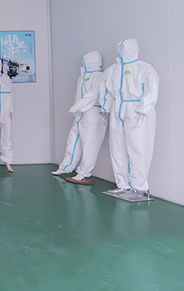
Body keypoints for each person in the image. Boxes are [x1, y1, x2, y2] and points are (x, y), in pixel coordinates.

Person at [99, 39, 159, 199]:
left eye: (124, 47)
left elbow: (152, 90)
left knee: (138, 147)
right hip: (117, 108)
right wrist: (105, 108)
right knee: (117, 147)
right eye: (120, 47)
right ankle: (123, 184)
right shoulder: (112, 70)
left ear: (133, 48)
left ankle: (139, 186)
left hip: (136, 109)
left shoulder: (144, 68)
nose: (121, 50)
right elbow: (105, 90)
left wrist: (144, 109)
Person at [52, 51, 108, 182]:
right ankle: (66, 166)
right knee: (73, 140)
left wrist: (79, 105)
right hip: (81, 113)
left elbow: (93, 94)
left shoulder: (99, 76)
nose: (83, 63)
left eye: (85, 60)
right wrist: (77, 108)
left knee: (90, 143)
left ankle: (84, 172)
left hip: (92, 112)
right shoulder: (82, 76)